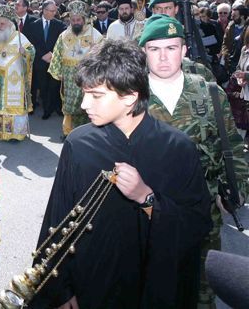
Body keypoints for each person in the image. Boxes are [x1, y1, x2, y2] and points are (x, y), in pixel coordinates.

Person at [33, 39, 211, 309]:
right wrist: (60, 290)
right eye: (84, 94)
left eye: (95, 95)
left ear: (129, 97)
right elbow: (58, 219)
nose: (84, 104)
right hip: (91, 287)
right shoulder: (79, 144)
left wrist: (147, 198)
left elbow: (197, 225)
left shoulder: (178, 148)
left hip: (153, 290)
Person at [139, 15, 249, 308]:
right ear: (143, 53)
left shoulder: (209, 93)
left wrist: (236, 192)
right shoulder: (130, 97)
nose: (164, 57)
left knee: (201, 291)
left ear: (184, 50)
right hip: (146, 211)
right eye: (154, 49)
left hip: (202, 211)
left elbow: (233, 148)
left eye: (172, 48)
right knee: (150, 287)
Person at [48, 1, 103, 137]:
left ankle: (87, 133)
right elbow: (57, 53)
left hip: (87, 76)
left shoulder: (95, 35)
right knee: (69, 105)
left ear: (84, 20)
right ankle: (68, 132)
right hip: (69, 78)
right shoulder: (64, 35)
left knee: (86, 105)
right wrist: (58, 71)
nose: (75, 22)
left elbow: (102, 57)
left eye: (78, 19)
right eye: (73, 20)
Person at [0, 5, 35, 141]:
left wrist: (26, 53)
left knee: (14, 106)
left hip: (14, 79)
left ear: (10, 24)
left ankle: (17, 133)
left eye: (2, 23)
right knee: (1, 108)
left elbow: (32, 52)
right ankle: (2, 133)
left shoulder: (19, 37)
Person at [29, 0, 65, 119]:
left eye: (55, 11)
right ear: (44, 10)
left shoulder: (60, 25)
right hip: (40, 61)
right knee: (43, 87)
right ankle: (46, 110)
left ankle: (57, 107)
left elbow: (62, 42)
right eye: (51, 11)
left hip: (54, 61)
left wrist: (52, 54)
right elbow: (32, 43)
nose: (54, 13)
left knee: (54, 86)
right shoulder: (34, 25)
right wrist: (42, 54)